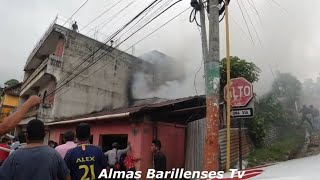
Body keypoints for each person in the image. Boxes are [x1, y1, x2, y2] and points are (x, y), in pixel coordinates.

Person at [0, 119, 71, 180]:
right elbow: (67, 177)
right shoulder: (54, 154)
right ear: (44, 135)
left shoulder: (15, 155)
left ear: (26, 136)